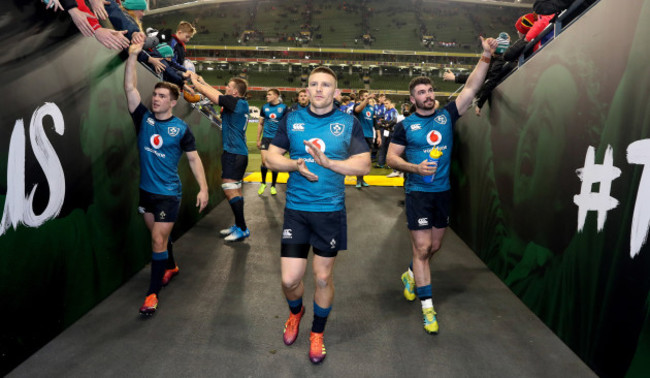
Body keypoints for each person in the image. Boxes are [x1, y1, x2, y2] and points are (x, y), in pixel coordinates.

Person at [387, 36, 498, 334]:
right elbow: (390, 160)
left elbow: (473, 87)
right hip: (418, 193)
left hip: (442, 193)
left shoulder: (446, 115)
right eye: (421, 92)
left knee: (433, 247)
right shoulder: (404, 126)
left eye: (430, 90)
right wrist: (414, 167)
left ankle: (410, 274)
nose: (427, 94)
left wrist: (486, 56)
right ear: (412, 99)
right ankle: (428, 309)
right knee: (422, 248)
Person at [264, 66, 371, 364]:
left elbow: (363, 165)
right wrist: (294, 165)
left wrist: (330, 163)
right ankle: (296, 313)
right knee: (289, 280)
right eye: (314, 84)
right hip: (297, 210)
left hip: (330, 212)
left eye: (326, 85)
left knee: (322, 279)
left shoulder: (348, 122)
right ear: (307, 89)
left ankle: (317, 333)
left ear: (336, 92)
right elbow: (271, 157)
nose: (320, 89)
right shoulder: (292, 119)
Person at [123, 41, 209, 315]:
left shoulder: (181, 129)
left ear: (173, 102)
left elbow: (194, 159)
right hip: (146, 192)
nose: (156, 98)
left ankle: (151, 294)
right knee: (159, 238)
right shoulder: (143, 120)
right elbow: (130, 88)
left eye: (162, 96)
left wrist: (203, 189)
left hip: (169, 194)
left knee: (158, 241)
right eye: (155, 94)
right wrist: (133, 56)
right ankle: (170, 266)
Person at [186, 72, 251, 242]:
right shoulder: (239, 103)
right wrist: (204, 81)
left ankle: (242, 228)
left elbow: (213, 96)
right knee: (234, 189)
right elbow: (218, 95)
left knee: (229, 188)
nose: (226, 88)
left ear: (235, 92)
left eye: (229, 87)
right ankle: (239, 225)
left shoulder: (234, 102)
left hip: (234, 153)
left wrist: (194, 80)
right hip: (238, 153)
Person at [257, 88, 287, 196]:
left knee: (274, 163)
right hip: (266, 138)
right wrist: (258, 139)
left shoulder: (283, 108)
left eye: (269, 94)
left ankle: (273, 185)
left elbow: (285, 125)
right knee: (264, 162)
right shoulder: (264, 107)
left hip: (277, 139)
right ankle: (263, 183)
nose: (267, 96)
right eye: (267, 95)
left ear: (276, 95)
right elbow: (260, 123)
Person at [353, 90, 380, 188]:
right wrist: (368, 98)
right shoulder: (357, 105)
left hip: (369, 136)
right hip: (360, 136)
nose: (367, 97)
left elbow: (375, 123)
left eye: (368, 96)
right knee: (359, 159)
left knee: (366, 161)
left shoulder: (372, 108)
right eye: (365, 96)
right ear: (361, 97)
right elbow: (358, 110)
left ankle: (362, 179)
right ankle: (358, 181)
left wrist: (379, 136)